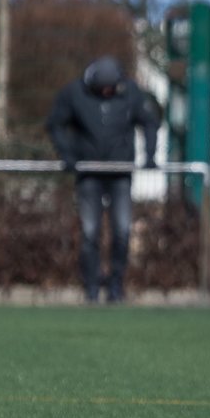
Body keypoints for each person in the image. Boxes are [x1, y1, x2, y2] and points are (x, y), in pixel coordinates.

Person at [47, 56, 161, 304]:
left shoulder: (130, 92)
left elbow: (150, 122)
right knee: (90, 232)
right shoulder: (74, 93)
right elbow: (55, 124)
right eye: (104, 90)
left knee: (122, 231)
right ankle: (91, 287)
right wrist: (67, 155)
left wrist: (150, 154)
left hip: (120, 174)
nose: (109, 92)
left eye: (113, 88)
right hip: (89, 175)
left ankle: (116, 286)